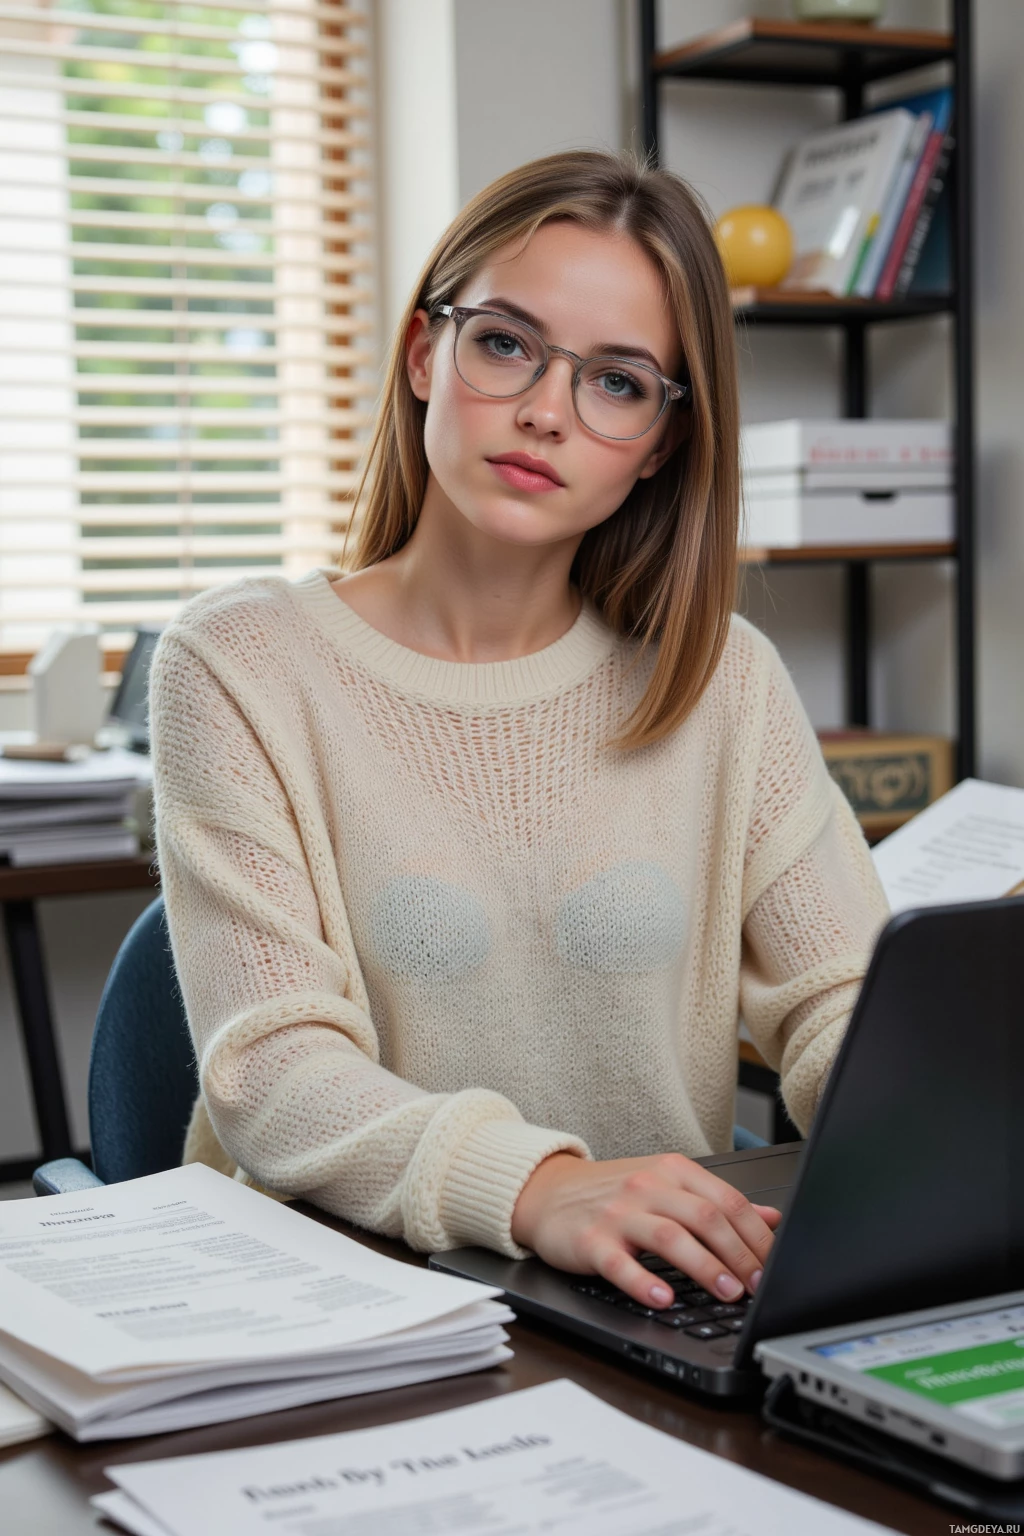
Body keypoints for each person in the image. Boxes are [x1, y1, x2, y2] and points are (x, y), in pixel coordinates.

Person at [150, 150, 888, 1315]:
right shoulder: (239, 663)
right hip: (343, 1303)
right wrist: (540, 1188)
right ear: (423, 352)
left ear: (661, 441)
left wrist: (926, 1112)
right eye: (505, 343)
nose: (547, 410)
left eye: (619, 380)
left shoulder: (723, 681)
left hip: (652, 1298)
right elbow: (273, 1075)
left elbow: (842, 1002)